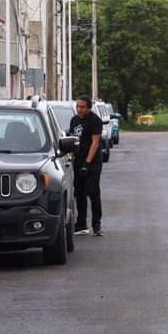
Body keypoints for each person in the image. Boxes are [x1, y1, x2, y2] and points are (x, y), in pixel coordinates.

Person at [69, 96, 104, 236]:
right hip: (78, 161)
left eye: (82, 107)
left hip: (92, 162)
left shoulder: (95, 121)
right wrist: (71, 156)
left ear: (89, 107)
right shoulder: (74, 120)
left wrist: (87, 163)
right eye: (78, 106)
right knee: (79, 193)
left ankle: (96, 224)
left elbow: (95, 143)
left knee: (92, 192)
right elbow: (73, 140)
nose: (79, 109)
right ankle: (81, 224)